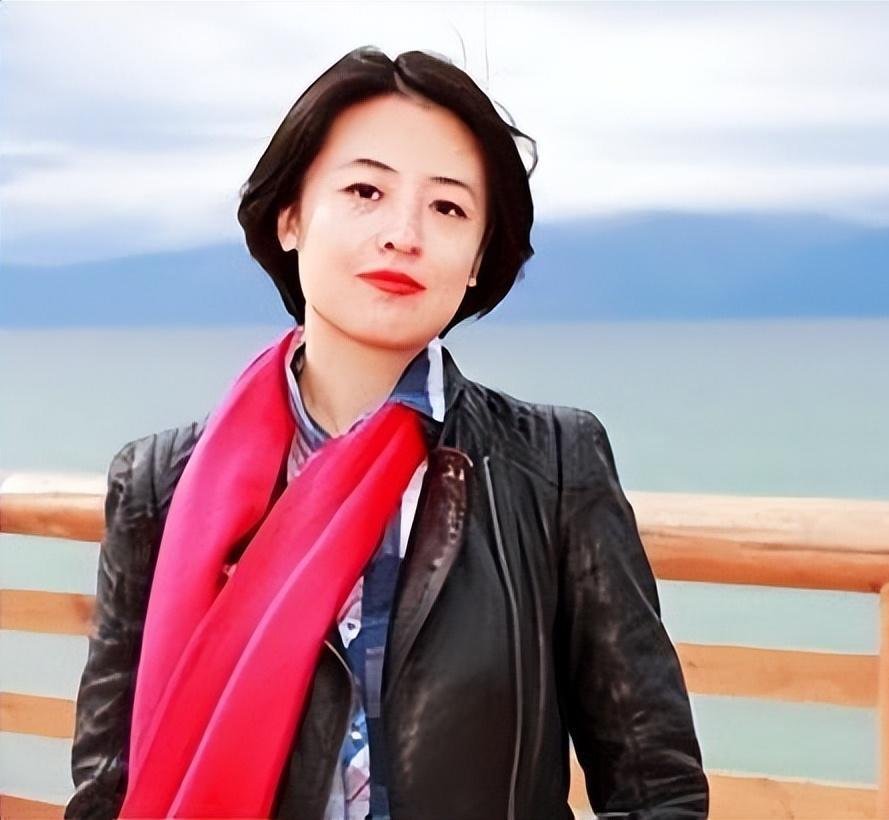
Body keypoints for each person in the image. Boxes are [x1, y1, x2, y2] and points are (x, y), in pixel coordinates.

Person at [65, 46, 708, 820]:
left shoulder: (554, 467)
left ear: (478, 257)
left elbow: (656, 787)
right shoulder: (160, 485)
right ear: (290, 217)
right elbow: (109, 789)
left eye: (448, 208)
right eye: (365, 191)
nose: (404, 234)